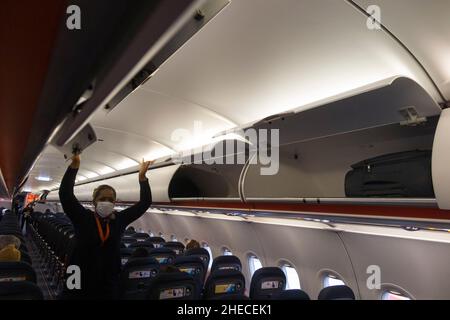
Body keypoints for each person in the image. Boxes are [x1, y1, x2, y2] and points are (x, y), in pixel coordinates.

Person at [59, 153, 153, 299]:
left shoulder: (119, 220)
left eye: (111, 199)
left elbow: (144, 203)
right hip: (77, 275)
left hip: (107, 279)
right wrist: (74, 166)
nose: (107, 202)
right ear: (94, 202)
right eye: (102, 198)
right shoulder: (83, 217)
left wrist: (142, 178)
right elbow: (66, 195)